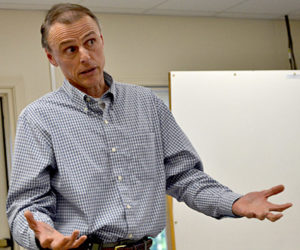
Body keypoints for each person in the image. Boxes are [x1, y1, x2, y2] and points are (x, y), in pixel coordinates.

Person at [6, 3, 292, 250]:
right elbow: (27, 204)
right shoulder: (39, 118)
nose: (84, 55)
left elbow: (183, 176)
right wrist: (42, 236)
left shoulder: (146, 103)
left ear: (102, 40)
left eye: (90, 42)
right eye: (70, 49)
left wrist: (234, 202)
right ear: (51, 58)